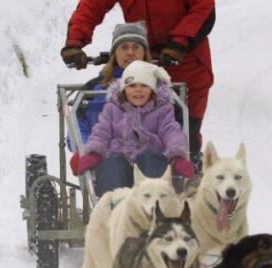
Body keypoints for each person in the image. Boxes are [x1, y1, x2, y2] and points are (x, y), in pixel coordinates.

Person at [60, 0, 215, 166]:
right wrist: (75, 42)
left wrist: (179, 42)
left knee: (182, 133)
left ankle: (186, 184)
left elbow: (204, 7)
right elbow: (92, 4)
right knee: (131, 125)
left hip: (187, 61)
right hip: (141, 62)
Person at [74, 60, 195, 196]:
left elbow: (171, 132)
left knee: (151, 158)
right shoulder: (112, 108)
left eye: (144, 85)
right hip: (118, 161)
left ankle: (155, 205)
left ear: (152, 89)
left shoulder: (162, 109)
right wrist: (94, 153)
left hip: (151, 163)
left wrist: (177, 156)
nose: (138, 90)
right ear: (124, 89)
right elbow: (101, 132)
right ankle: (116, 206)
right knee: (113, 164)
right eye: (132, 85)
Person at [70, 21, 153, 150]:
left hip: (149, 160)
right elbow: (77, 130)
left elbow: (174, 128)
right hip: (102, 159)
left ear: (144, 53)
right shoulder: (92, 89)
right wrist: (90, 150)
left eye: (136, 47)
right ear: (115, 54)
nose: (130, 52)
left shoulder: (159, 88)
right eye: (124, 47)